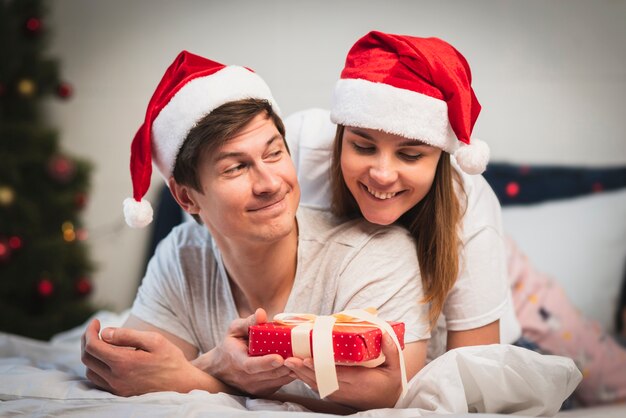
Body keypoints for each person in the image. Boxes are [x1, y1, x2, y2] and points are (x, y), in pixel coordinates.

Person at [80, 50, 430, 411]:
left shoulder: (374, 254)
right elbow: (136, 372)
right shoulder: (181, 255)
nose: (269, 183)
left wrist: (195, 379)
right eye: (235, 168)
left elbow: (383, 400)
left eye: (274, 153)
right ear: (186, 197)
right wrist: (214, 365)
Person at [283, 31, 520, 368]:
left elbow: (474, 378)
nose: (382, 174)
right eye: (363, 147)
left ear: (440, 158)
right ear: (340, 137)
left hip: (472, 359)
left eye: (409, 156)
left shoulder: (469, 206)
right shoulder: (300, 150)